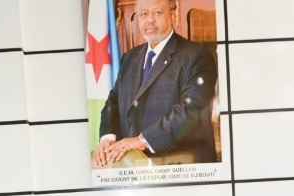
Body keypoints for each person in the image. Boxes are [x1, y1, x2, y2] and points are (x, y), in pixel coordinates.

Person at [92, 0, 218, 167]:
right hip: (134, 167)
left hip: (181, 165)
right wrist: (107, 138)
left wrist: (141, 140)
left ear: (172, 14)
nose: (149, 19)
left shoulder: (198, 57)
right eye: (144, 14)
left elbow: (190, 110)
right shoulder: (129, 58)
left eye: (157, 12)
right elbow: (114, 101)